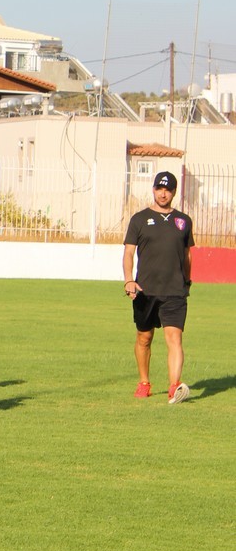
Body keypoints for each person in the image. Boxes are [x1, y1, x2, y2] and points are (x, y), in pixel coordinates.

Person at [123, 171, 194, 404]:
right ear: (153, 190)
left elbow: (187, 255)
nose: (163, 194)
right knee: (144, 338)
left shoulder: (183, 221)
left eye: (168, 190)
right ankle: (144, 383)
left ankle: (175, 387)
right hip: (145, 290)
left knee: (174, 338)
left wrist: (187, 281)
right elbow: (129, 253)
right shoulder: (139, 219)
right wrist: (129, 280)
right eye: (159, 189)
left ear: (174, 192)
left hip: (175, 291)